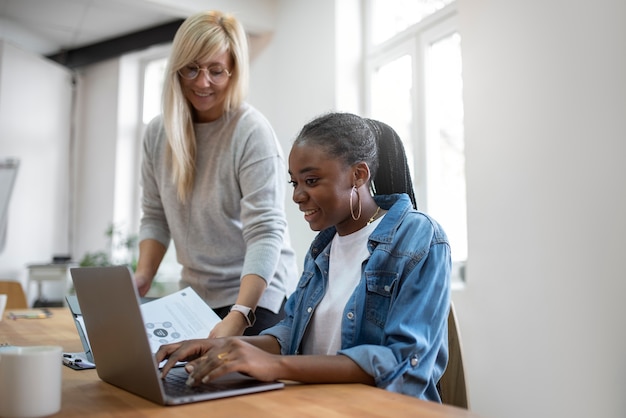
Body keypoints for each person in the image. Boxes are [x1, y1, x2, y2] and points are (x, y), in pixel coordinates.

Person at [156, 112, 451, 402]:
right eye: (294, 183)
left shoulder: (419, 237)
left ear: (358, 175)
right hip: (321, 405)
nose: (297, 195)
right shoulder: (324, 246)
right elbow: (290, 331)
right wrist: (222, 347)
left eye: (311, 180)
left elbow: (403, 361)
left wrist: (275, 366)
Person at [135, 10, 298, 338]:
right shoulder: (158, 134)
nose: (201, 82)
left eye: (216, 70)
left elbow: (266, 232)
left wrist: (239, 315)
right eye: (191, 68)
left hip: (257, 296)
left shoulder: (251, 132)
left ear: (234, 72)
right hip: (195, 296)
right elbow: (155, 217)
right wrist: (141, 277)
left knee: (225, 377)